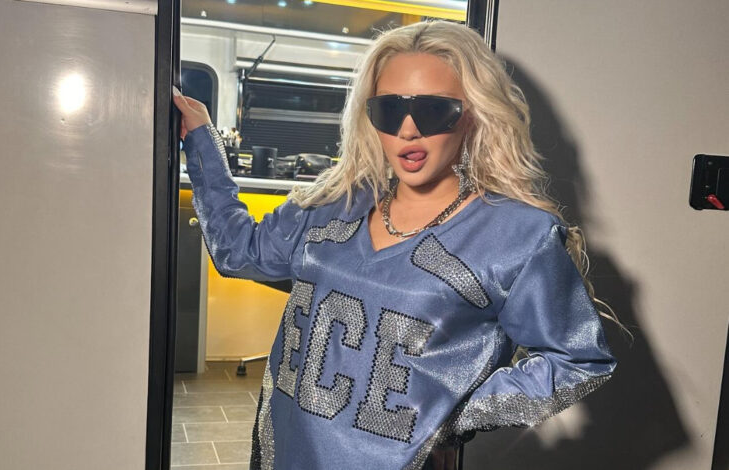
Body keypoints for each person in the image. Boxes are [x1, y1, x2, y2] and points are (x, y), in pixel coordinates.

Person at [173, 20, 621, 470]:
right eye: (389, 110)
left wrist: (454, 414)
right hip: (284, 454)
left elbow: (579, 358)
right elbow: (237, 251)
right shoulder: (331, 205)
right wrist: (202, 140)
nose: (408, 131)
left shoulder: (517, 236)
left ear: (472, 114)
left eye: (433, 110)